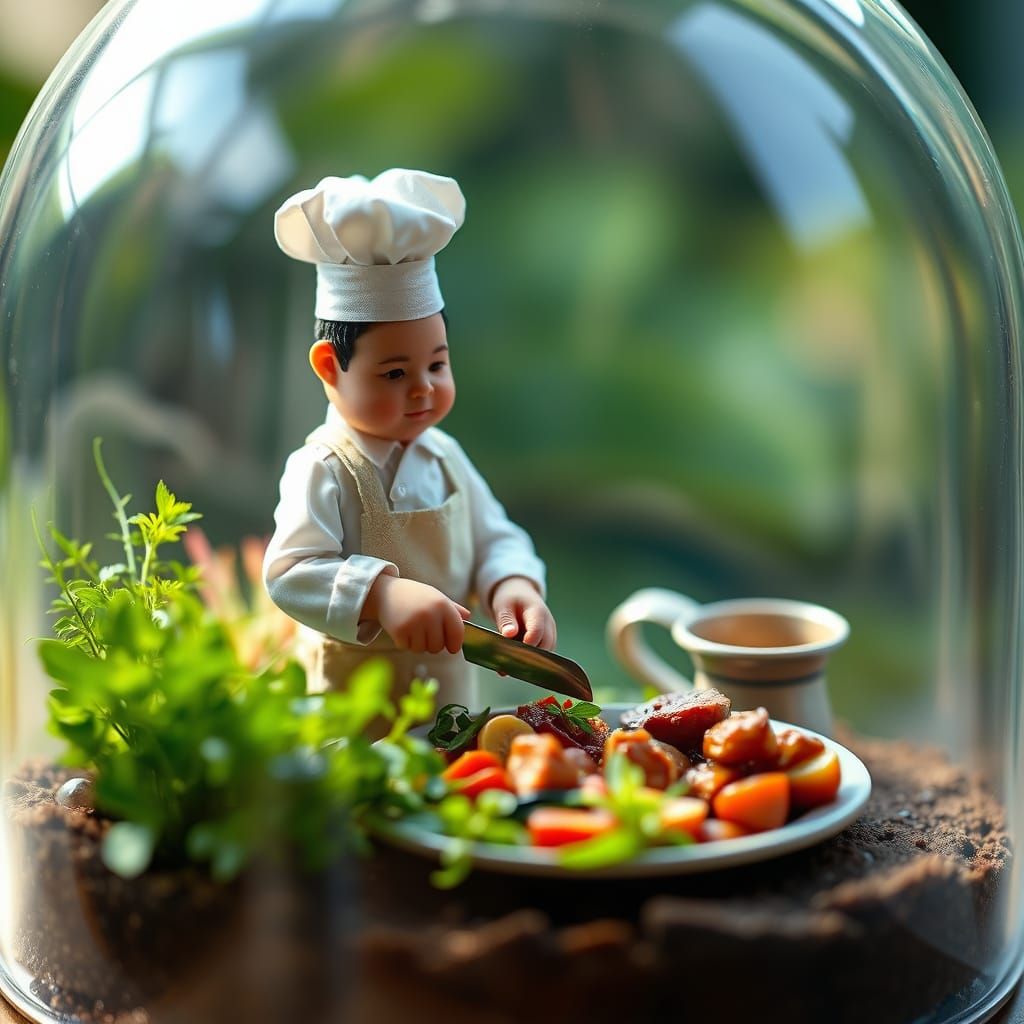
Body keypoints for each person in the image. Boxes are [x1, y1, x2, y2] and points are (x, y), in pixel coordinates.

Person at [263, 168, 556, 709]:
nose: (423, 390)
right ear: (330, 367)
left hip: (449, 701)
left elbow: (494, 536)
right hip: (354, 709)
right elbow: (290, 572)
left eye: (438, 365)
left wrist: (512, 585)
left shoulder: (444, 457)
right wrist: (382, 593)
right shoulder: (323, 468)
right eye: (395, 374)